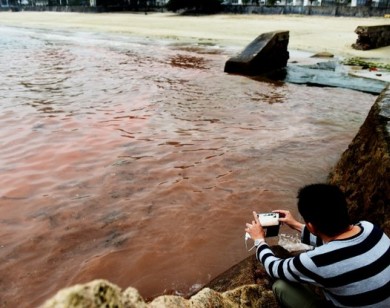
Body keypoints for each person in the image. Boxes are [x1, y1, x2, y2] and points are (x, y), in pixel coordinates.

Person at [245, 183, 390, 308]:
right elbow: (337, 244)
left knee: (281, 287)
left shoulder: (318, 261)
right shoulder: (370, 228)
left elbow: (274, 268)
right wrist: (296, 225)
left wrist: (259, 241)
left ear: (312, 226)